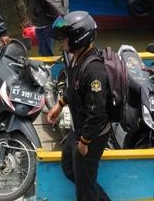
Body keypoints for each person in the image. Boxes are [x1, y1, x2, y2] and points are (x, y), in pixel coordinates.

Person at [47, 11, 112, 201]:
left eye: (64, 38)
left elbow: (97, 113)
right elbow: (74, 88)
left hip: (91, 135)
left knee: (84, 191)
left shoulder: (94, 70)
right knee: (69, 167)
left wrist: (84, 142)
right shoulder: (77, 58)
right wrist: (60, 104)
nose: (61, 42)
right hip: (79, 128)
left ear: (78, 38)